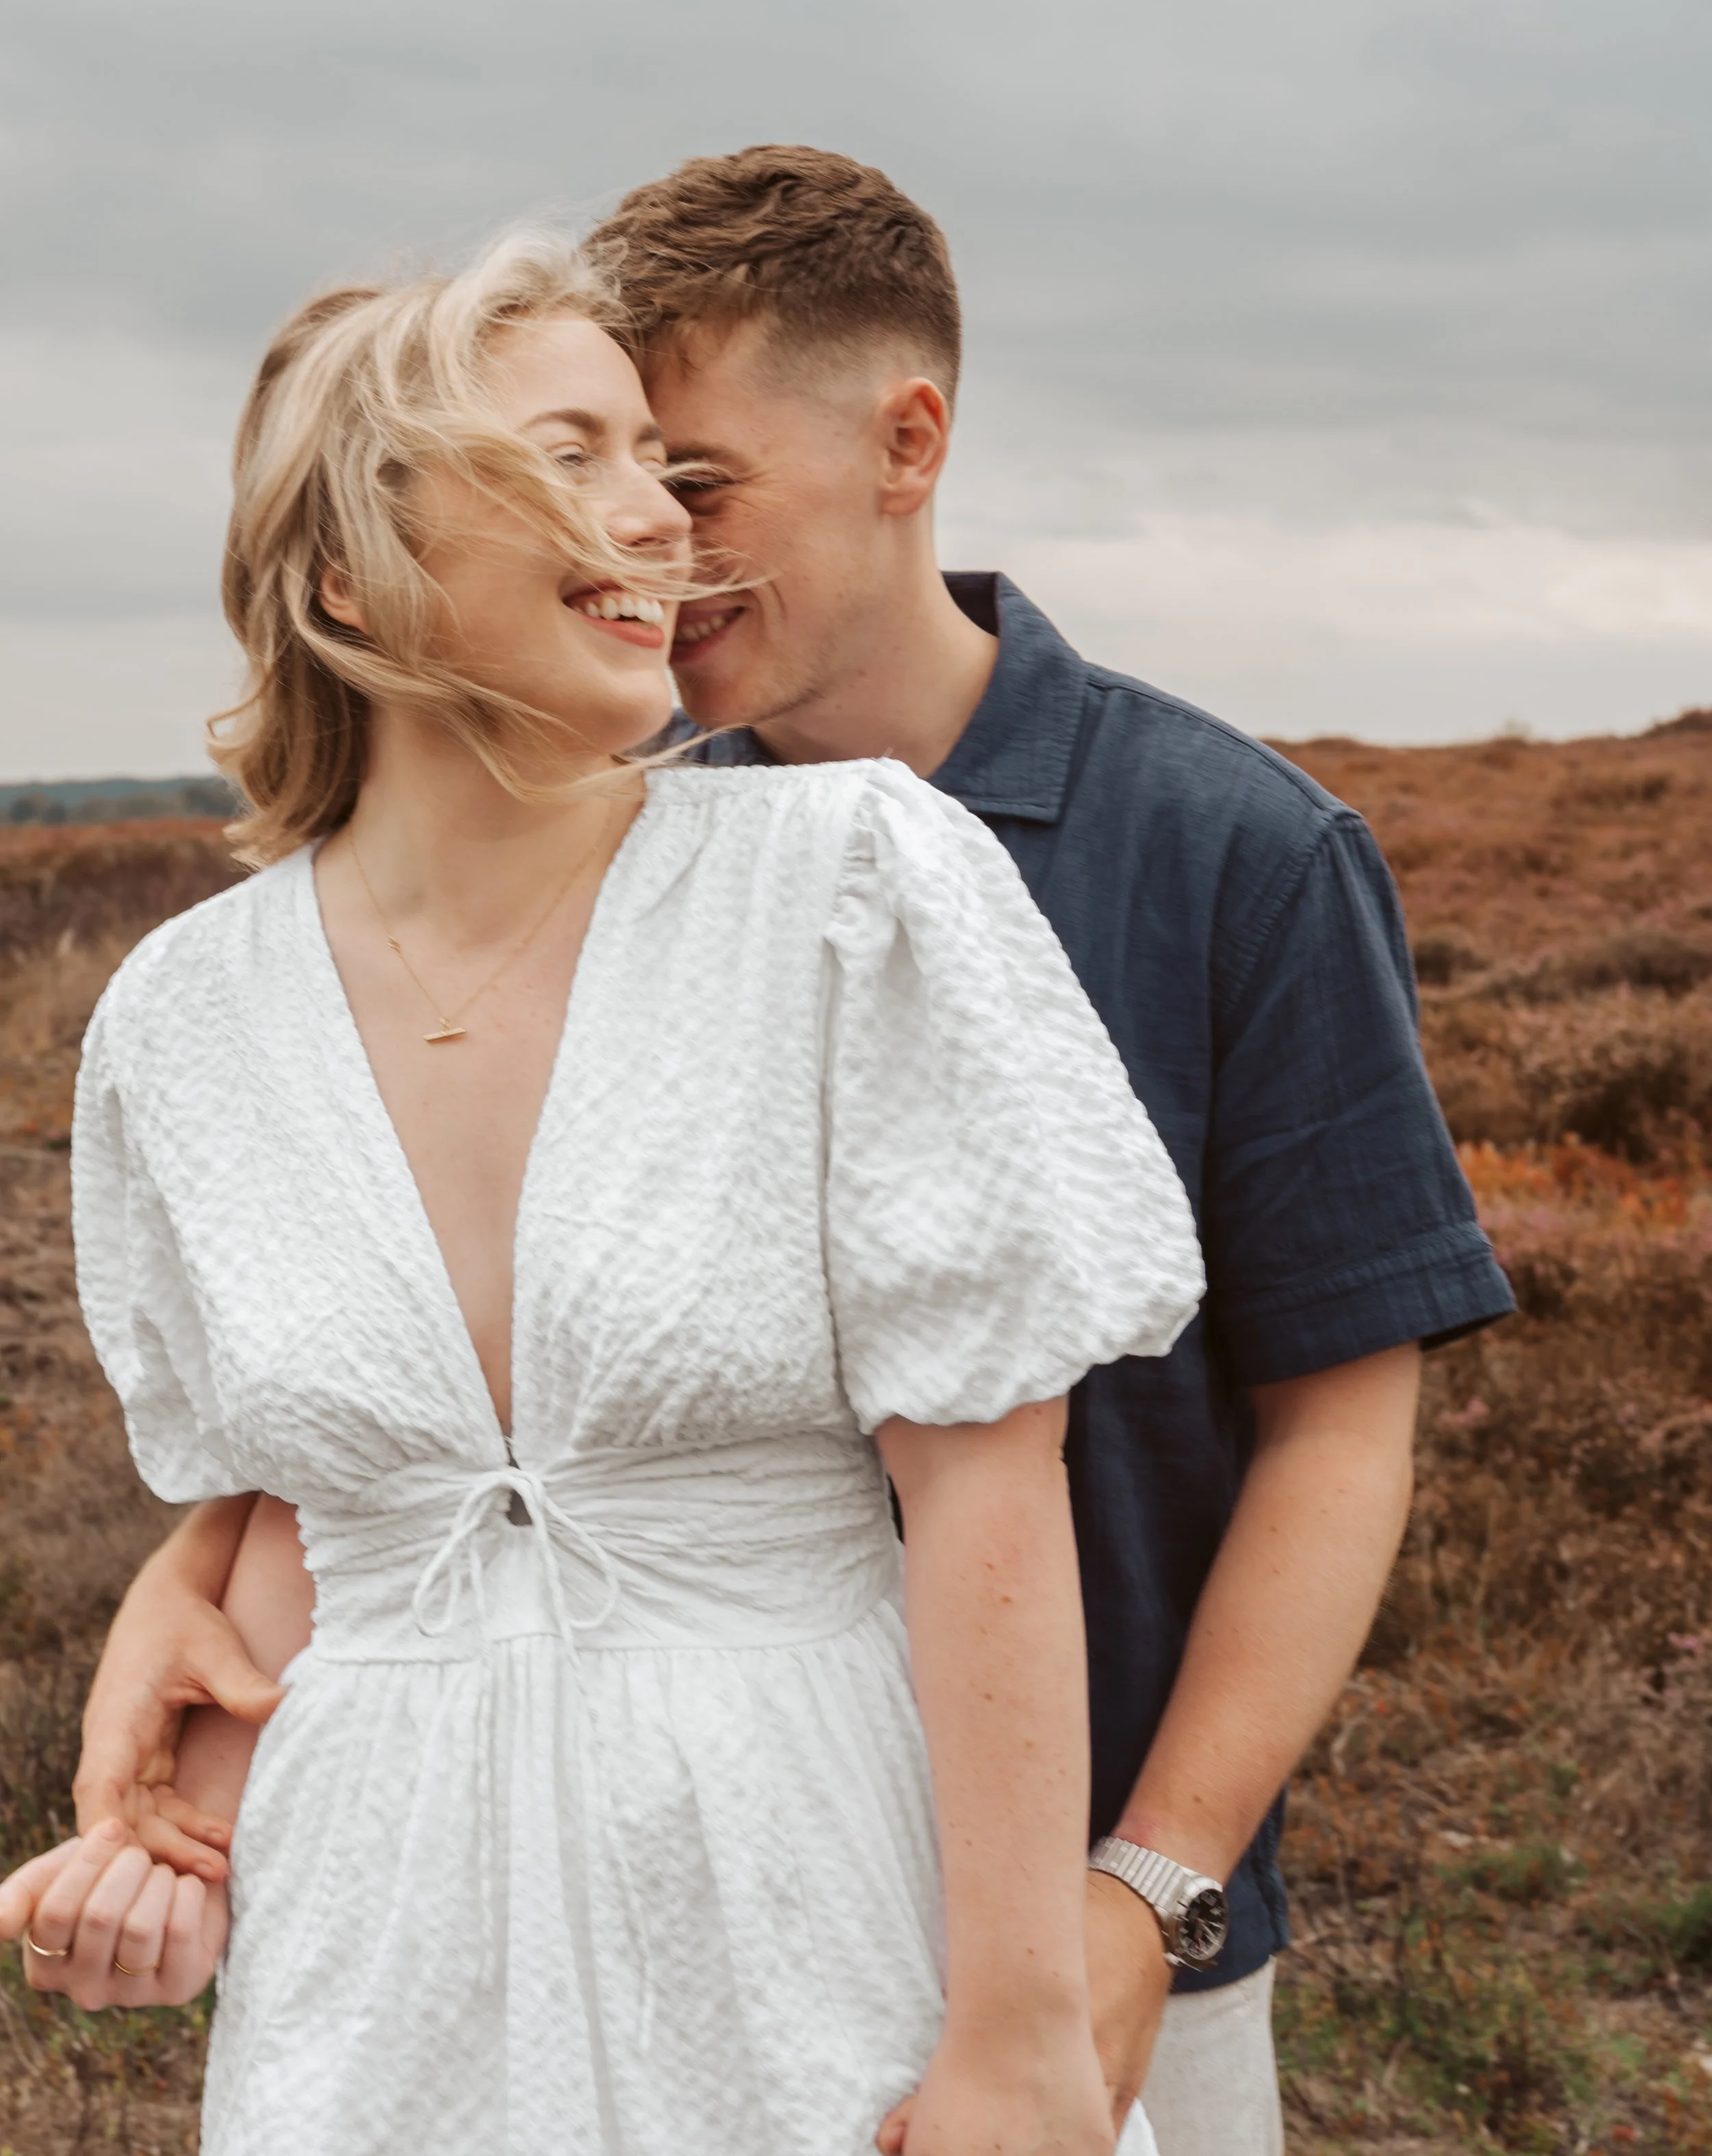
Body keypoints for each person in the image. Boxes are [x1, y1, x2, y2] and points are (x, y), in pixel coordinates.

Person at [29, 147, 1514, 2152]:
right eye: (596, 456)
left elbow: (1313, 1429)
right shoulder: (217, 1007)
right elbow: (383, 1478)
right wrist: (179, 1739)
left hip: (1024, 1883)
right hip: (409, 1969)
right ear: (349, 562)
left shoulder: (1131, 859)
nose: (658, 526)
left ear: (906, 446)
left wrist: (1121, 1908)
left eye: (686, 472)